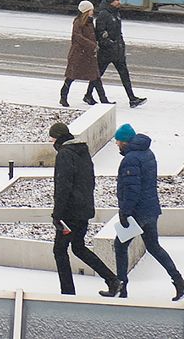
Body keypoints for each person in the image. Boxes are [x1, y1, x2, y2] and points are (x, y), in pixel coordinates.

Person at [112, 123, 184, 301]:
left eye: (118, 141)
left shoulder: (130, 159)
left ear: (125, 141)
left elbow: (132, 189)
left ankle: (120, 289)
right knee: (154, 247)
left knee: (120, 247)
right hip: (150, 209)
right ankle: (179, 281)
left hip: (137, 212)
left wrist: (125, 212)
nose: (117, 145)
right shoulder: (148, 153)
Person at [49, 121, 122, 297]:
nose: (51, 143)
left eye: (51, 139)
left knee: (59, 251)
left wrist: (57, 215)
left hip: (70, 213)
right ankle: (112, 280)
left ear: (57, 138)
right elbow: (89, 182)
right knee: (78, 247)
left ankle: (67, 292)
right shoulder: (82, 152)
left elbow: (63, 186)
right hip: (83, 209)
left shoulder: (65, 154)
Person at [95, 0, 146, 108]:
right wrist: (110, 44)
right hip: (107, 52)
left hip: (118, 51)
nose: (119, 2)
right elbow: (100, 33)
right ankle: (87, 95)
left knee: (124, 75)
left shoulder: (116, 13)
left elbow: (118, 32)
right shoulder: (104, 14)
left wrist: (121, 45)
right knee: (97, 75)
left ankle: (132, 98)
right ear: (111, 1)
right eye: (116, 0)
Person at [60, 0, 111, 107]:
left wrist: (102, 36)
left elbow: (91, 35)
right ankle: (63, 97)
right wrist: (92, 45)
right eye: (91, 10)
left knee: (96, 77)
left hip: (88, 55)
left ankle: (103, 99)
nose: (92, 12)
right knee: (71, 77)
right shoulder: (78, 22)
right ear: (86, 11)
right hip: (79, 55)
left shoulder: (89, 22)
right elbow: (78, 37)